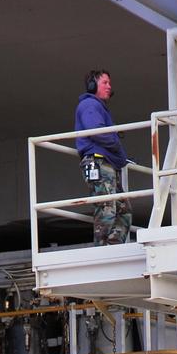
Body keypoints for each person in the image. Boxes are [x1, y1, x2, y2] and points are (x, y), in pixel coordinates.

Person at [75, 70, 132, 245]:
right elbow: (98, 132)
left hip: (107, 164)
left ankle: (112, 245)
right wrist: (116, 146)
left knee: (123, 210)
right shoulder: (90, 105)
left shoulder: (97, 107)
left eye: (109, 83)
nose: (109, 86)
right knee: (107, 207)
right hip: (98, 162)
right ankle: (101, 248)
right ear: (92, 85)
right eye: (105, 82)